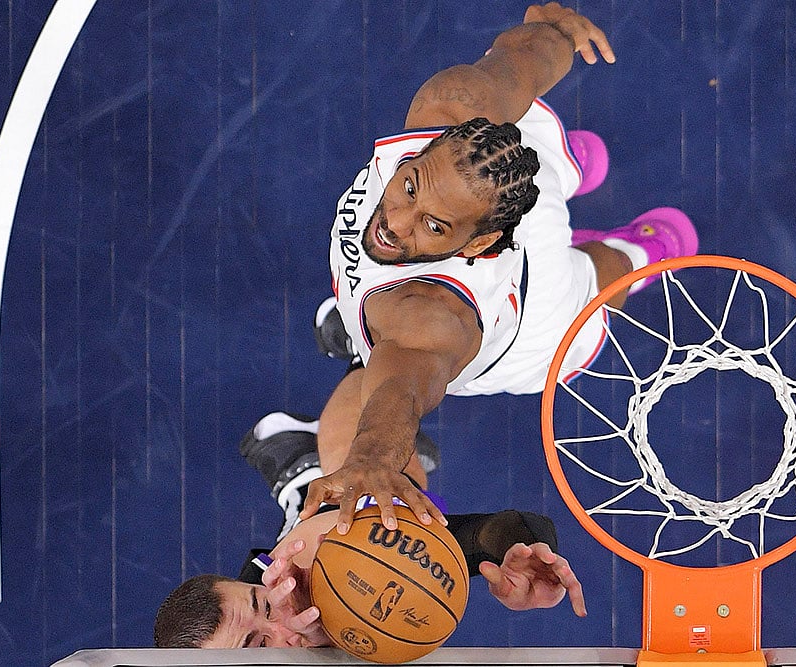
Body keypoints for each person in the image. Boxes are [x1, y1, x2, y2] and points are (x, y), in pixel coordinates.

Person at [308, 2, 699, 534]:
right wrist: (549, 28)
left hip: (533, 315)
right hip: (480, 201)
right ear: (431, 146)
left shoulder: (433, 319)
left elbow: (398, 389)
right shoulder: (448, 110)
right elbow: (523, 59)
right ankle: (562, 165)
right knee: (508, 146)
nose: (395, 222)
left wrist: (375, 455)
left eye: (433, 226)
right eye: (409, 186)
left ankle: (636, 252)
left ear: (479, 244)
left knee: (592, 290)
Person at [153, 413, 586, 648]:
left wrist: (522, 549)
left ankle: (354, 340)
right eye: (260, 647)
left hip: (347, 514)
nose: (283, 627)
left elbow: (485, 533)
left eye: (265, 606)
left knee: (378, 446)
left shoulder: (318, 567)